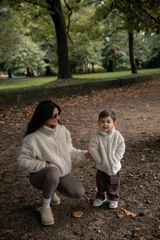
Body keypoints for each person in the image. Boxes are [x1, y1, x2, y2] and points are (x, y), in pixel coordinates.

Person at [18, 100, 92, 226]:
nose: (58, 118)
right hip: (40, 175)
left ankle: (51, 191)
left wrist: (85, 155)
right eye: (54, 115)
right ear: (43, 116)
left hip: (60, 174)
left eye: (58, 114)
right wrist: (44, 164)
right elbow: (23, 160)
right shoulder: (32, 138)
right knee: (53, 172)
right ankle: (46, 206)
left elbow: (69, 150)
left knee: (78, 192)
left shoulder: (62, 130)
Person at [89, 109, 125, 209]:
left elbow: (121, 147)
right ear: (98, 123)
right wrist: (99, 160)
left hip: (114, 166)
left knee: (113, 183)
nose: (105, 124)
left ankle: (113, 198)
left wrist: (116, 159)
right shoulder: (96, 137)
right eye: (102, 121)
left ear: (114, 124)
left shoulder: (117, 136)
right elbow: (93, 149)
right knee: (100, 182)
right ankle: (101, 197)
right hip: (101, 166)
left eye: (108, 122)